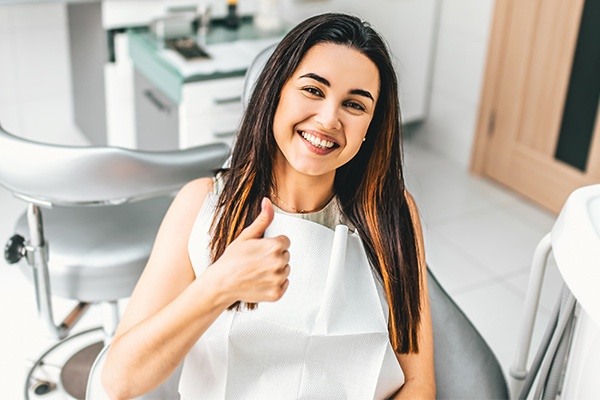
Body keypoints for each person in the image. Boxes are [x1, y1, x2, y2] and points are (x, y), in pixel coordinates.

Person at [102, 12, 435, 399]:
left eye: (354, 105)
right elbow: (120, 380)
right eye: (313, 90)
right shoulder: (201, 205)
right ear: (274, 92)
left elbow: (419, 383)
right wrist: (218, 286)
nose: (328, 119)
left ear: (370, 129)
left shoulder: (391, 212)